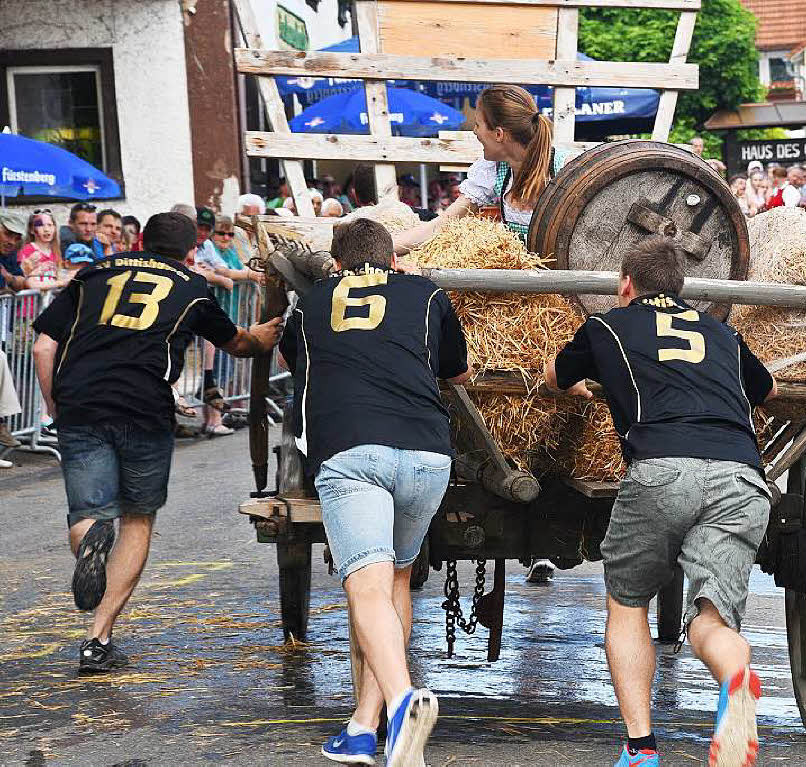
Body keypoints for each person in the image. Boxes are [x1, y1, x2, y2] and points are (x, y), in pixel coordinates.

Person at [543, 236, 776, 767]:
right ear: (682, 286)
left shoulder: (608, 326)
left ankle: (642, 748)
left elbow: (557, 376)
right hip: (740, 474)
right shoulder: (721, 332)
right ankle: (736, 675)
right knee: (713, 623)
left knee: (627, 605)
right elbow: (766, 391)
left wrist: (586, 383)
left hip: (661, 468)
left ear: (627, 285)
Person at [31, 212, 283, 673]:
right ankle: (98, 638)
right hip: (144, 406)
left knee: (89, 513)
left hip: (81, 402)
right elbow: (237, 343)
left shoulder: (94, 273)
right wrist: (263, 335)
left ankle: (91, 540)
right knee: (137, 518)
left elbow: (43, 346)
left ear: (141, 239)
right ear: (191, 250)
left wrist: (52, 406)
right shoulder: (190, 285)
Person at [278, 217, 470, 766]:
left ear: (336, 262)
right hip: (428, 455)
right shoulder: (427, 294)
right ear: (394, 259)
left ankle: (405, 696)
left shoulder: (312, 303)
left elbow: (295, 362)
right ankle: (365, 726)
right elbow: (456, 373)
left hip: (352, 452)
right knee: (396, 583)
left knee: (366, 589)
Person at [394, 85, 567, 252]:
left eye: (477, 125)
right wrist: (385, 248)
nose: (475, 132)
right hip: (520, 278)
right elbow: (442, 225)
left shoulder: (564, 170)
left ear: (499, 134)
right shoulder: (495, 170)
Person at [18, 209, 66, 293]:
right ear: (31, 230)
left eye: (50, 225)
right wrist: (60, 283)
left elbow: (58, 275)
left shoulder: (55, 252)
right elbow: (29, 283)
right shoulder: (28, 250)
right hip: (32, 303)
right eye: (40, 225)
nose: (46, 229)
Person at [0, 210, 28, 292]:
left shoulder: (10, 253)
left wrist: (8, 278)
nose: (12, 242)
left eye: (17, 238)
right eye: (7, 234)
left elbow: (22, 282)